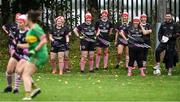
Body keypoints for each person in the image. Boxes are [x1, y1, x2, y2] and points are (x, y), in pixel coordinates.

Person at [16, 10, 48, 100]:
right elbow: (31, 45)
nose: (22, 21)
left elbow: (44, 40)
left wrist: (35, 50)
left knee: (25, 75)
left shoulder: (35, 28)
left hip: (40, 55)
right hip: (35, 54)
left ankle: (28, 95)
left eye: (25, 19)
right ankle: (35, 88)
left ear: (29, 20)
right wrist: (19, 45)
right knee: (22, 71)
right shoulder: (30, 30)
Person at [2, 13, 23, 93]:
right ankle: (9, 86)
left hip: (22, 52)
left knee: (18, 69)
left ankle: (16, 88)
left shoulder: (26, 30)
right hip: (13, 48)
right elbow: (4, 27)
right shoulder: (12, 25)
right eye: (17, 17)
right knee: (9, 70)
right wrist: (8, 34)